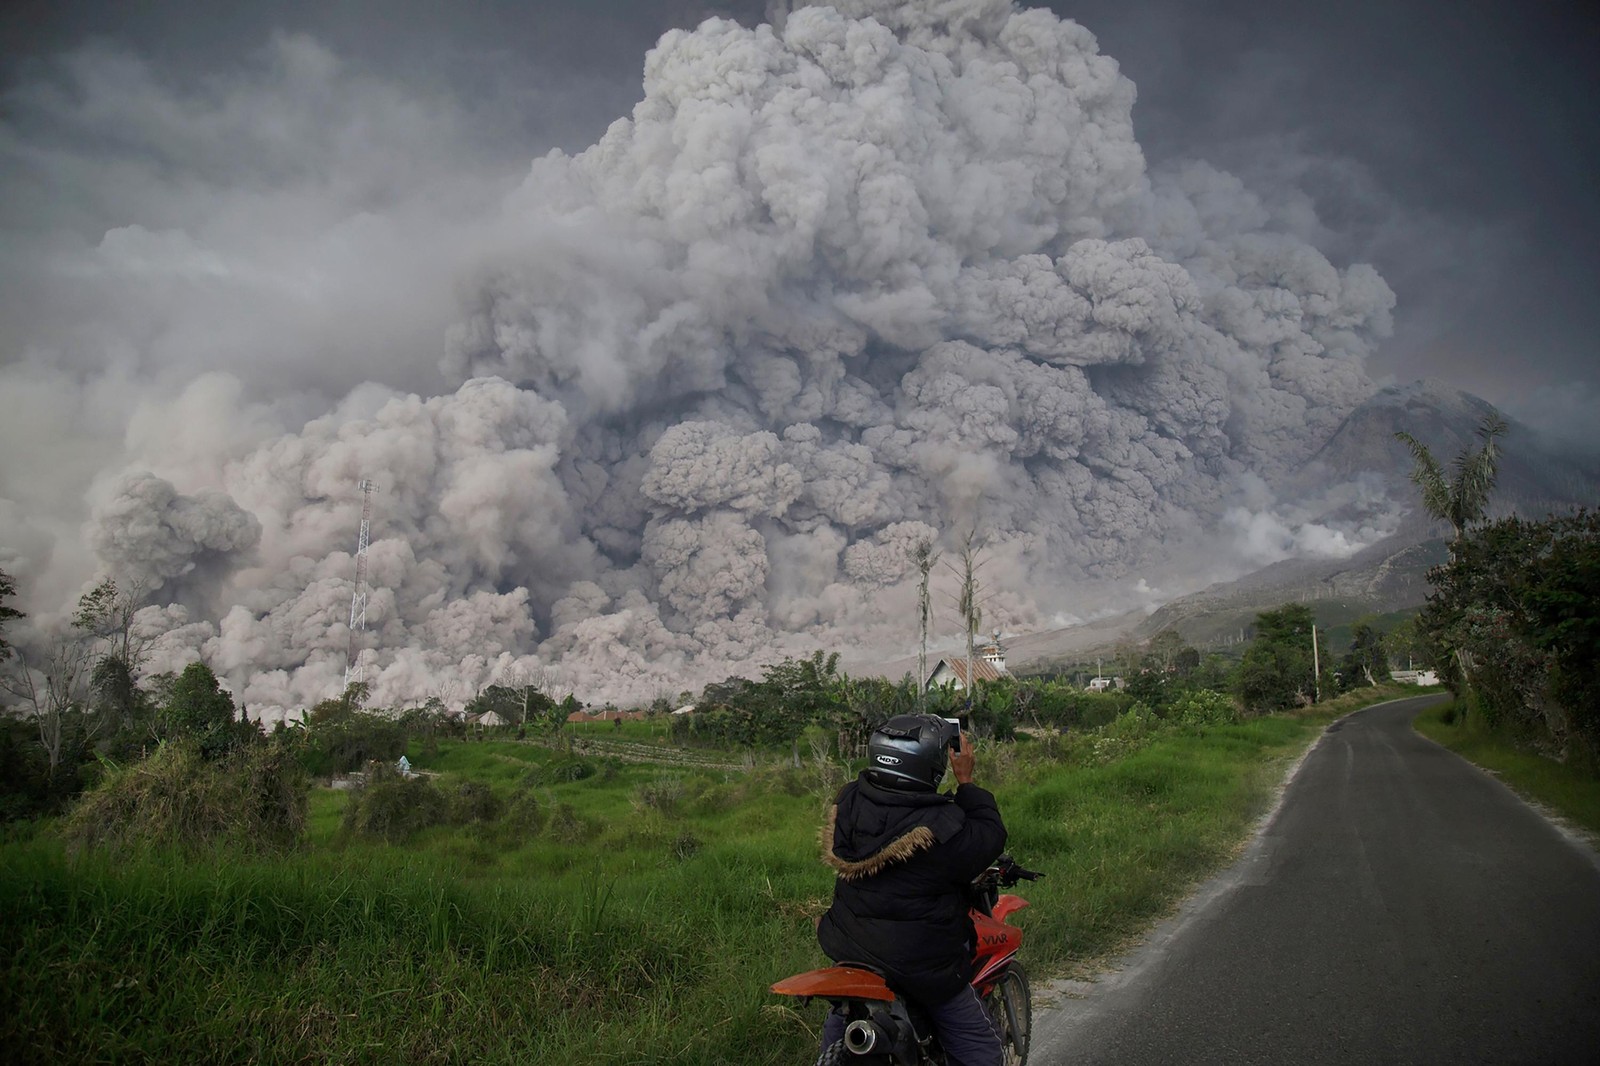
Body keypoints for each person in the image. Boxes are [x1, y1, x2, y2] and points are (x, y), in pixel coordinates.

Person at [816, 713, 1008, 1066]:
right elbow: (990, 837)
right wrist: (966, 781)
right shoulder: (942, 828)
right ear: (931, 767)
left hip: (850, 946)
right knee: (984, 1054)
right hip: (918, 961)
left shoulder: (849, 801)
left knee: (840, 1025)